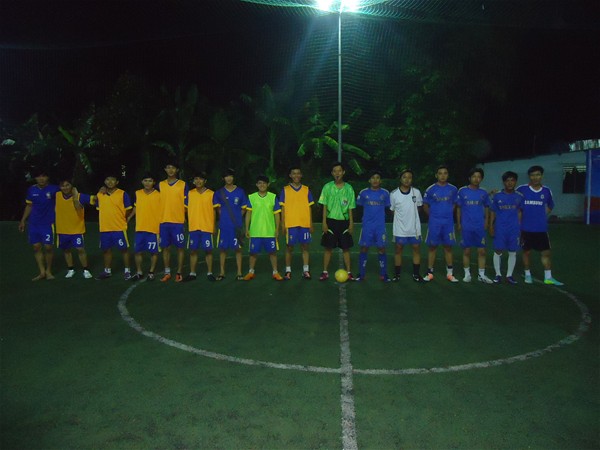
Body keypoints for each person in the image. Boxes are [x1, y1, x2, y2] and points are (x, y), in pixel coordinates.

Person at [516, 165, 564, 285]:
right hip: (525, 228)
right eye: (532, 175)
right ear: (529, 176)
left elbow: (550, 206)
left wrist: (541, 216)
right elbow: (516, 207)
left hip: (541, 228)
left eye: (538, 175)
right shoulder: (521, 189)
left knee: (546, 253)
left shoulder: (546, 191)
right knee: (526, 252)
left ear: (541, 176)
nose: (535, 177)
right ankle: (527, 274)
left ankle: (548, 277)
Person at [18, 169, 60, 281]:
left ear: (48, 178)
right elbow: (29, 206)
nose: (41, 179)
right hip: (34, 223)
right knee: (36, 247)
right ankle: (42, 272)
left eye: (43, 176)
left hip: (48, 223)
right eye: (38, 176)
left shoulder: (54, 189)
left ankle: (49, 271)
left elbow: (69, 191)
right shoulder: (31, 190)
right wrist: (23, 220)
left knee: (48, 247)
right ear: (35, 178)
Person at [318, 162, 356, 281]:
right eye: (335, 171)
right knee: (328, 248)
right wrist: (324, 222)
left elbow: (350, 208)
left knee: (346, 248)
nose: (337, 173)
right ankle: (325, 272)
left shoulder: (349, 188)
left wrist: (351, 223)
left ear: (343, 172)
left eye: (339, 171)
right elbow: (324, 206)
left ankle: (349, 272)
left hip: (344, 222)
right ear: (332, 173)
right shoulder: (327, 187)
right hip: (330, 222)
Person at [456, 168, 494, 283]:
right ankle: (467, 274)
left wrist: (486, 222)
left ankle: (481, 275)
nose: (476, 179)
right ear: (469, 178)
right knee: (466, 251)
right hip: (466, 226)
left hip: (479, 226)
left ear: (481, 179)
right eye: (474, 176)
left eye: (479, 177)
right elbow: (458, 208)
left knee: (482, 251)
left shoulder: (483, 192)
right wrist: (459, 223)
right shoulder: (462, 191)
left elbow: (487, 207)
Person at [242, 175, 283, 281]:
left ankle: (275, 272)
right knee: (253, 253)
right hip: (255, 231)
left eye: (264, 183)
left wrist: (277, 229)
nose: (262, 185)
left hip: (269, 231)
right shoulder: (252, 197)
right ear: (256, 185)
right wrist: (247, 228)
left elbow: (277, 214)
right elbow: (248, 214)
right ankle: (251, 272)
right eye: (260, 183)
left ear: (268, 184)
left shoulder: (273, 197)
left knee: (272, 253)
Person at [422, 165, 459, 282]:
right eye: (440, 173)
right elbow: (425, 205)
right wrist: (433, 216)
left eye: (445, 173)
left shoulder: (453, 189)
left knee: (448, 247)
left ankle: (450, 273)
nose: (443, 175)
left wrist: (448, 214)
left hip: (448, 223)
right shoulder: (430, 189)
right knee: (432, 247)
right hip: (434, 223)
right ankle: (430, 273)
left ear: (448, 175)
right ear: (436, 175)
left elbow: (455, 203)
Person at [389, 169, 427, 282]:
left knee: (416, 249)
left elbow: (419, 208)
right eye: (404, 177)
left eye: (409, 177)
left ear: (412, 179)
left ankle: (416, 274)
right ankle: (397, 275)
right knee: (398, 250)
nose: (407, 179)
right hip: (400, 229)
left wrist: (411, 218)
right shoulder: (394, 194)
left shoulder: (416, 192)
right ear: (400, 179)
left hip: (414, 229)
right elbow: (392, 210)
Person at [213, 168, 249, 281]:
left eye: (230, 176)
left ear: (233, 177)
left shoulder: (240, 191)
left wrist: (237, 218)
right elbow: (218, 209)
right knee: (222, 249)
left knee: (238, 249)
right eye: (226, 176)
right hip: (224, 225)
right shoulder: (219, 192)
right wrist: (225, 218)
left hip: (236, 225)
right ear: (223, 178)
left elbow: (244, 208)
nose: (229, 178)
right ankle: (222, 272)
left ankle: (239, 272)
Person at [355, 170, 391, 282]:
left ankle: (383, 274)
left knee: (382, 248)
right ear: (369, 180)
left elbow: (388, 208)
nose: (375, 180)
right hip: (367, 226)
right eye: (373, 178)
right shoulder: (363, 193)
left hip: (380, 226)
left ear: (380, 180)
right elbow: (359, 207)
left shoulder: (385, 193)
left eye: (377, 178)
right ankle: (361, 274)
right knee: (364, 248)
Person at [279, 166, 314, 280]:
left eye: (298, 173)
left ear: (301, 175)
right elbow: (282, 208)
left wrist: (310, 223)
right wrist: (283, 224)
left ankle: (306, 270)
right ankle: (288, 270)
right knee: (289, 247)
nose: (296, 175)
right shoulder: (285, 190)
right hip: (291, 223)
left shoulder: (306, 189)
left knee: (305, 247)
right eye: (293, 173)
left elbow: (310, 208)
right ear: (290, 175)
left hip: (304, 223)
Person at [55, 179, 94, 279]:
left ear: (71, 186)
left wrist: (102, 192)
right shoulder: (56, 195)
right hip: (62, 229)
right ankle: (70, 269)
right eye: (63, 185)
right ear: (60, 187)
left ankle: (86, 269)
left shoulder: (80, 196)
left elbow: (94, 199)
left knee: (80, 249)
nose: (65, 187)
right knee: (66, 250)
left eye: (67, 185)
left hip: (77, 229)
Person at [95, 174, 133, 280]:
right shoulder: (100, 194)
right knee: (106, 250)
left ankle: (127, 271)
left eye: (112, 180)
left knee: (123, 249)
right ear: (104, 181)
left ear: (117, 182)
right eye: (107, 179)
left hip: (119, 227)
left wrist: (122, 218)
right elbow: (99, 209)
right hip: (104, 228)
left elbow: (128, 209)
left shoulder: (123, 194)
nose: (110, 182)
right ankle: (107, 271)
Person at [489, 171, 522, 284]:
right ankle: (498, 274)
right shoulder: (497, 196)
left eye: (512, 180)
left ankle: (509, 275)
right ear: (503, 182)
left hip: (514, 228)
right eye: (507, 180)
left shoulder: (519, 196)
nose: (510, 183)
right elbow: (492, 212)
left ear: (516, 182)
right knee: (498, 250)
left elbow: (520, 212)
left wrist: (519, 227)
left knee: (512, 251)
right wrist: (491, 226)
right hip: (500, 227)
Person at [183, 171, 217, 282]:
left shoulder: (211, 194)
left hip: (206, 227)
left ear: (205, 181)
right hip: (194, 227)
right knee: (193, 251)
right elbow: (185, 209)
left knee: (208, 250)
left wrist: (213, 225)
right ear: (193, 181)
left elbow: (214, 210)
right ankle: (192, 273)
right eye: (196, 179)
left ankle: (210, 272)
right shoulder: (190, 193)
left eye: (201, 179)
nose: (198, 181)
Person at [127, 174, 161, 281]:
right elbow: (136, 207)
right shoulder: (138, 193)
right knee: (138, 251)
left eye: (150, 181)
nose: (147, 183)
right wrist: (129, 217)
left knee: (153, 252)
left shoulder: (159, 195)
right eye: (145, 180)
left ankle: (151, 272)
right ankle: (139, 272)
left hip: (154, 229)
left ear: (154, 182)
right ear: (142, 182)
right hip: (140, 228)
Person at [158, 163, 188, 282]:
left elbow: (186, 203)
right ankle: (167, 272)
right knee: (165, 248)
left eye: (173, 168)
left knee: (180, 248)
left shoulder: (183, 184)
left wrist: (183, 216)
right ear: (165, 169)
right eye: (168, 167)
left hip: (178, 222)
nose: (170, 170)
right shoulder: (160, 185)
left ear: (177, 170)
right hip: (164, 221)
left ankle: (179, 272)